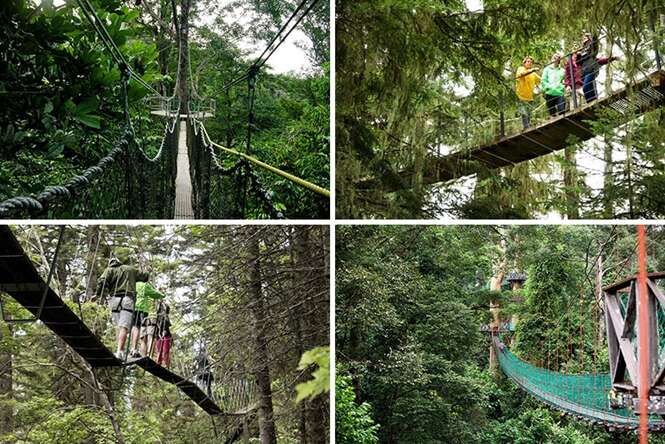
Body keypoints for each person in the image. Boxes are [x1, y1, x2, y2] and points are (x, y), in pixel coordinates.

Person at [96, 248, 149, 361]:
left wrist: (97, 294)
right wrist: (146, 268)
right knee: (124, 327)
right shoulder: (130, 269)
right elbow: (145, 277)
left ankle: (118, 351)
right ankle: (120, 351)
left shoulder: (109, 270)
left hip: (114, 300)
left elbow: (101, 281)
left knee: (119, 327)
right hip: (127, 299)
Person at [576, 32, 619, 103]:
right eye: (583, 38)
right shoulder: (581, 51)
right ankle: (593, 102)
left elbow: (595, 45)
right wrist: (578, 55)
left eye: (586, 38)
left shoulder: (592, 49)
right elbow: (578, 63)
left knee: (585, 88)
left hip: (591, 70)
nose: (584, 39)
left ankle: (590, 103)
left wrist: (592, 34)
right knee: (590, 89)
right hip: (583, 73)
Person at [133, 281, 165, 358]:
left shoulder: (145, 295)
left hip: (144, 315)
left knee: (143, 337)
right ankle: (148, 355)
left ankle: (144, 355)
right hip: (151, 317)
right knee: (150, 337)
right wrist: (162, 295)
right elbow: (161, 304)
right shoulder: (155, 297)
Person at [515, 56, 541, 129]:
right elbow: (522, 74)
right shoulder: (520, 69)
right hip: (520, 97)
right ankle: (526, 127)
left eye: (531, 62)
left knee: (529, 114)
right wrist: (532, 70)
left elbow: (540, 80)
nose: (530, 63)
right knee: (524, 113)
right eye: (528, 61)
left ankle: (528, 127)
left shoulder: (533, 74)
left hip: (529, 97)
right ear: (524, 63)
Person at [155, 301, 173, 368]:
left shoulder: (166, 316)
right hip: (159, 336)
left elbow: (167, 309)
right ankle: (158, 363)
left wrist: (163, 303)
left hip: (166, 336)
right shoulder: (157, 317)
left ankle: (167, 365)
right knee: (159, 350)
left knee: (165, 351)